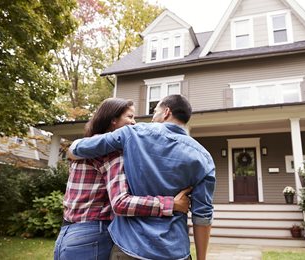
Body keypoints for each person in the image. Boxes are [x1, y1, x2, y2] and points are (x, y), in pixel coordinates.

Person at [70, 95, 215, 260]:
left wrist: (72, 149)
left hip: (130, 247)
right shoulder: (204, 157)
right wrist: (201, 258)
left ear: (166, 112)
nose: (152, 117)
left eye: (155, 111)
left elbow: (80, 148)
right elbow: (203, 215)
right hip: (174, 250)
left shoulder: (133, 134)